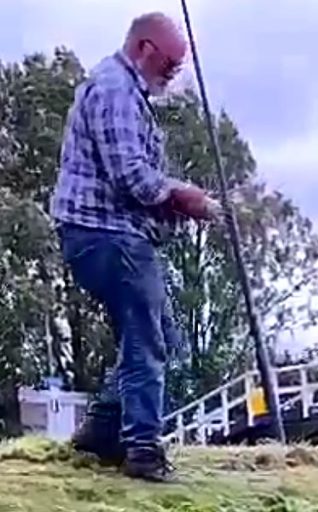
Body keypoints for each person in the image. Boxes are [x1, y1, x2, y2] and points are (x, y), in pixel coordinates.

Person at [50, 12, 220, 482]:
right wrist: (187, 198)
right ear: (145, 48)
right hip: (105, 235)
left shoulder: (123, 90)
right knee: (148, 339)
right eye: (169, 64)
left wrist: (178, 199)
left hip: (107, 233)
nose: (172, 74)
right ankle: (143, 451)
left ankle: (102, 433)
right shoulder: (115, 90)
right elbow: (132, 176)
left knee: (161, 337)